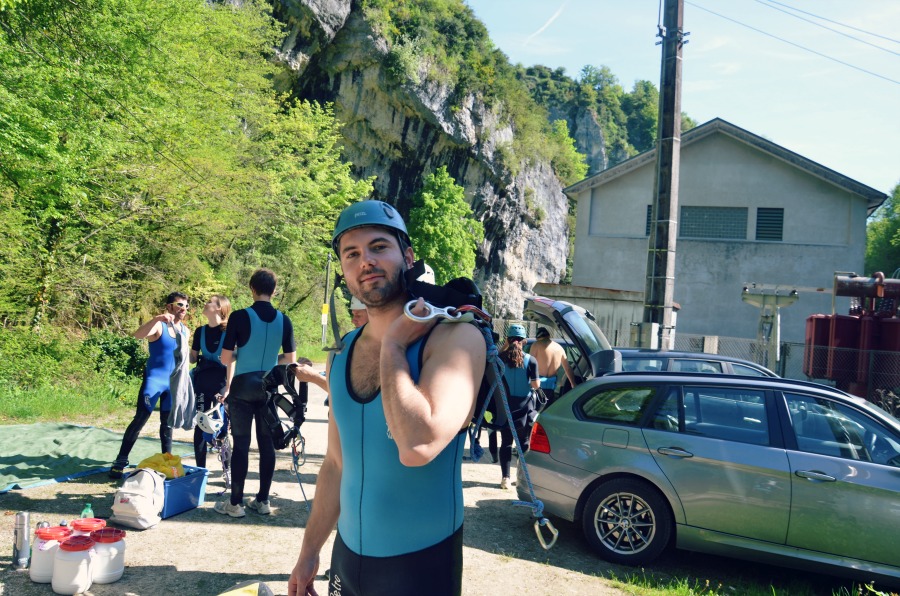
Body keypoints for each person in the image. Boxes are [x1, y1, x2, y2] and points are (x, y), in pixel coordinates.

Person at [288, 200, 485, 596]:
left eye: (379, 247)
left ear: (407, 257)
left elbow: (418, 445)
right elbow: (335, 463)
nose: (366, 261)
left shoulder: (455, 338)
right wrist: (309, 552)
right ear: (343, 271)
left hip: (420, 566)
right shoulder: (342, 350)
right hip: (347, 558)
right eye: (352, 254)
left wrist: (394, 344)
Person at [215, 269, 296, 518]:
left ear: (252, 288)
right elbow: (290, 359)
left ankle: (236, 504)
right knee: (266, 445)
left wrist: (242, 354)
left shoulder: (240, 316)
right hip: (268, 387)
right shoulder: (284, 319)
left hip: (241, 387)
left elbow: (225, 358)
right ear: (275, 290)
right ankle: (263, 501)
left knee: (241, 444)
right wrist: (272, 358)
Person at [109, 292, 191, 479]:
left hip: (172, 385)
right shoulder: (158, 326)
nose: (184, 309)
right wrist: (157, 318)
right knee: (140, 419)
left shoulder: (186, 331)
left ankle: (167, 462)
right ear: (169, 306)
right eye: (180, 305)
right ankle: (121, 460)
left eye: (186, 306)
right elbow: (138, 335)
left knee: (167, 425)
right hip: (155, 381)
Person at [190, 295, 231, 470]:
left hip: (220, 384)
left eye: (210, 301)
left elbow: (232, 362)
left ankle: (226, 468)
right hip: (202, 384)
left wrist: (228, 387)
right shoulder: (200, 331)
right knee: (200, 425)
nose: (205, 303)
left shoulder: (228, 332)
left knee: (220, 427)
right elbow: (192, 358)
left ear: (219, 308)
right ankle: (201, 471)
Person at [497, 324, 540, 489]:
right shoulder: (531, 360)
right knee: (523, 443)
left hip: (506, 406)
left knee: (506, 442)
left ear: (507, 340)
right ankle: (520, 478)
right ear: (524, 341)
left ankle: (505, 478)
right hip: (524, 408)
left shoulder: (500, 359)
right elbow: (535, 385)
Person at [529, 326, 576, 404]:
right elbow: (567, 368)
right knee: (547, 409)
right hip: (551, 385)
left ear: (537, 337)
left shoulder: (536, 345)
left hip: (538, 384)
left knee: (535, 410)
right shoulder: (560, 348)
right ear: (549, 336)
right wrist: (573, 383)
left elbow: (529, 363)